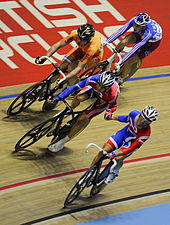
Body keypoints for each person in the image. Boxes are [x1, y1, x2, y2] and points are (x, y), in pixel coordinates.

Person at [90, 105, 158, 194]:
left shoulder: (146, 134)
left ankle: (114, 172)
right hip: (123, 134)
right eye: (142, 117)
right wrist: (111, 117)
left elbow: (131, 148)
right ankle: (90, 172)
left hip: (130, 144)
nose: (141, 122)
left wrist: (114, 154)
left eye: (145, 121)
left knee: (118, 158)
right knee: (103, 151)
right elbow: (126, 118)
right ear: (140, 113)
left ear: (149, 123)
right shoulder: (134, 113)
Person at [48, 71, 119, 152]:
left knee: (82, 119)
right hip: (93, 91)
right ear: (98, 81)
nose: (99, 88)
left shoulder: (113, 94)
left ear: (108, 87)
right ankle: (66, 112)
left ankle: (62, 142)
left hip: (104, 100)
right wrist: (57, 99)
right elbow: (74, 88)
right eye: (99, 84)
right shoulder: (93, 80)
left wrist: (109, 112)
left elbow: (113, 106)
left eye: (103, 87)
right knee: (78, 97)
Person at [35, 24, 103, 87]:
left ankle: (76, 86)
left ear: (88, 40)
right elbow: (58, 45)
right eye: (79, 37)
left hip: (94, 56)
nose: (79, 41)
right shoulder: (75, 34)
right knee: (61, 67)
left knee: (71, 68)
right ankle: (45, 86)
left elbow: (79, 68)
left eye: (82, 40)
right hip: (82, 49)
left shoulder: (93, 47)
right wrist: (44, 58)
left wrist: (65, 79)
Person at [106, 13, 162, 85]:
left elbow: (135, 48)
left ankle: (121, 79)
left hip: (151, 43)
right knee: (123, 42)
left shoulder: (150, 33)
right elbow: (120, 31)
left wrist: (121, 62)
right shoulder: (135, 20)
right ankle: (112, 58)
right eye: (135, 24)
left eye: (137, 26)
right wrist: (105, 43)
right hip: (141, 33)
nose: (135, 26)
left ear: (143, 26)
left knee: (129, 61)